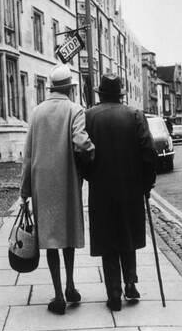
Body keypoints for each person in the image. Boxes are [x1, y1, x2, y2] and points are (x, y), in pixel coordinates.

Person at [20, 64, 95, 315]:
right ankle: (71, 286)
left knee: (50, 239)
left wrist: (24, 192)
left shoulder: (37, 112)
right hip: (67, 181)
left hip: (43, 184)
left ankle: (59, 295)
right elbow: (82, 143)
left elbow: (28, 156)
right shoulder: (75, 110)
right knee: (68, 237)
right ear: (70, 89)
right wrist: (93, 159)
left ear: (51, 87)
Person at [85, 74, 157, 311]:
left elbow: (82, 153)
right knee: (127, 234)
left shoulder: (90, 116)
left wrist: (91, 176)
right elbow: (148, 151)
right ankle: (131, 283)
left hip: (101, 188)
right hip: (131, 187)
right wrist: (147, 183)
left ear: (101, 93)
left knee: (108, 240)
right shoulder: (134, 115)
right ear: (120, 94)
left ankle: (113, 293)